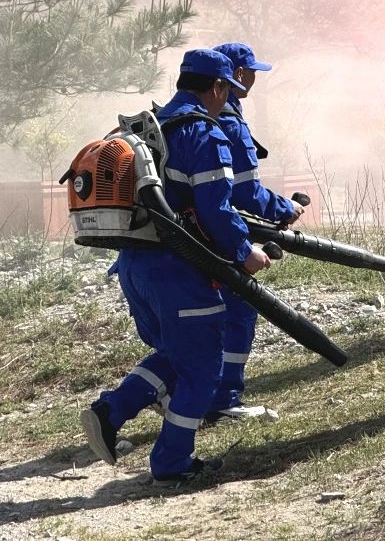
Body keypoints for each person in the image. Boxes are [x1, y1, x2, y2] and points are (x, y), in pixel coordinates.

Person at [80, 49, 272, 484]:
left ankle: (111, 412)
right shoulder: (204, 132)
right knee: (202, 369)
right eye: (227, 91)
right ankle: (172, 465)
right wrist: (245, 252)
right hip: (179, 272)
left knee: (176, 353)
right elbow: (217, 207)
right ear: (218, 87)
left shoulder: (151, 128)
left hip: (135, 267)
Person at [204, 42, 303, 422]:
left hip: (195, 233)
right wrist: (284, 208)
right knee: (239, 311)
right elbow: (244, 189)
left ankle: (188, 394)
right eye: (252, 72)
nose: (256, 79)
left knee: (201, 318)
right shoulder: (227, 121)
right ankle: (224, 398)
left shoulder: (202, 114)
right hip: (220, 234)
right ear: (238, 76)